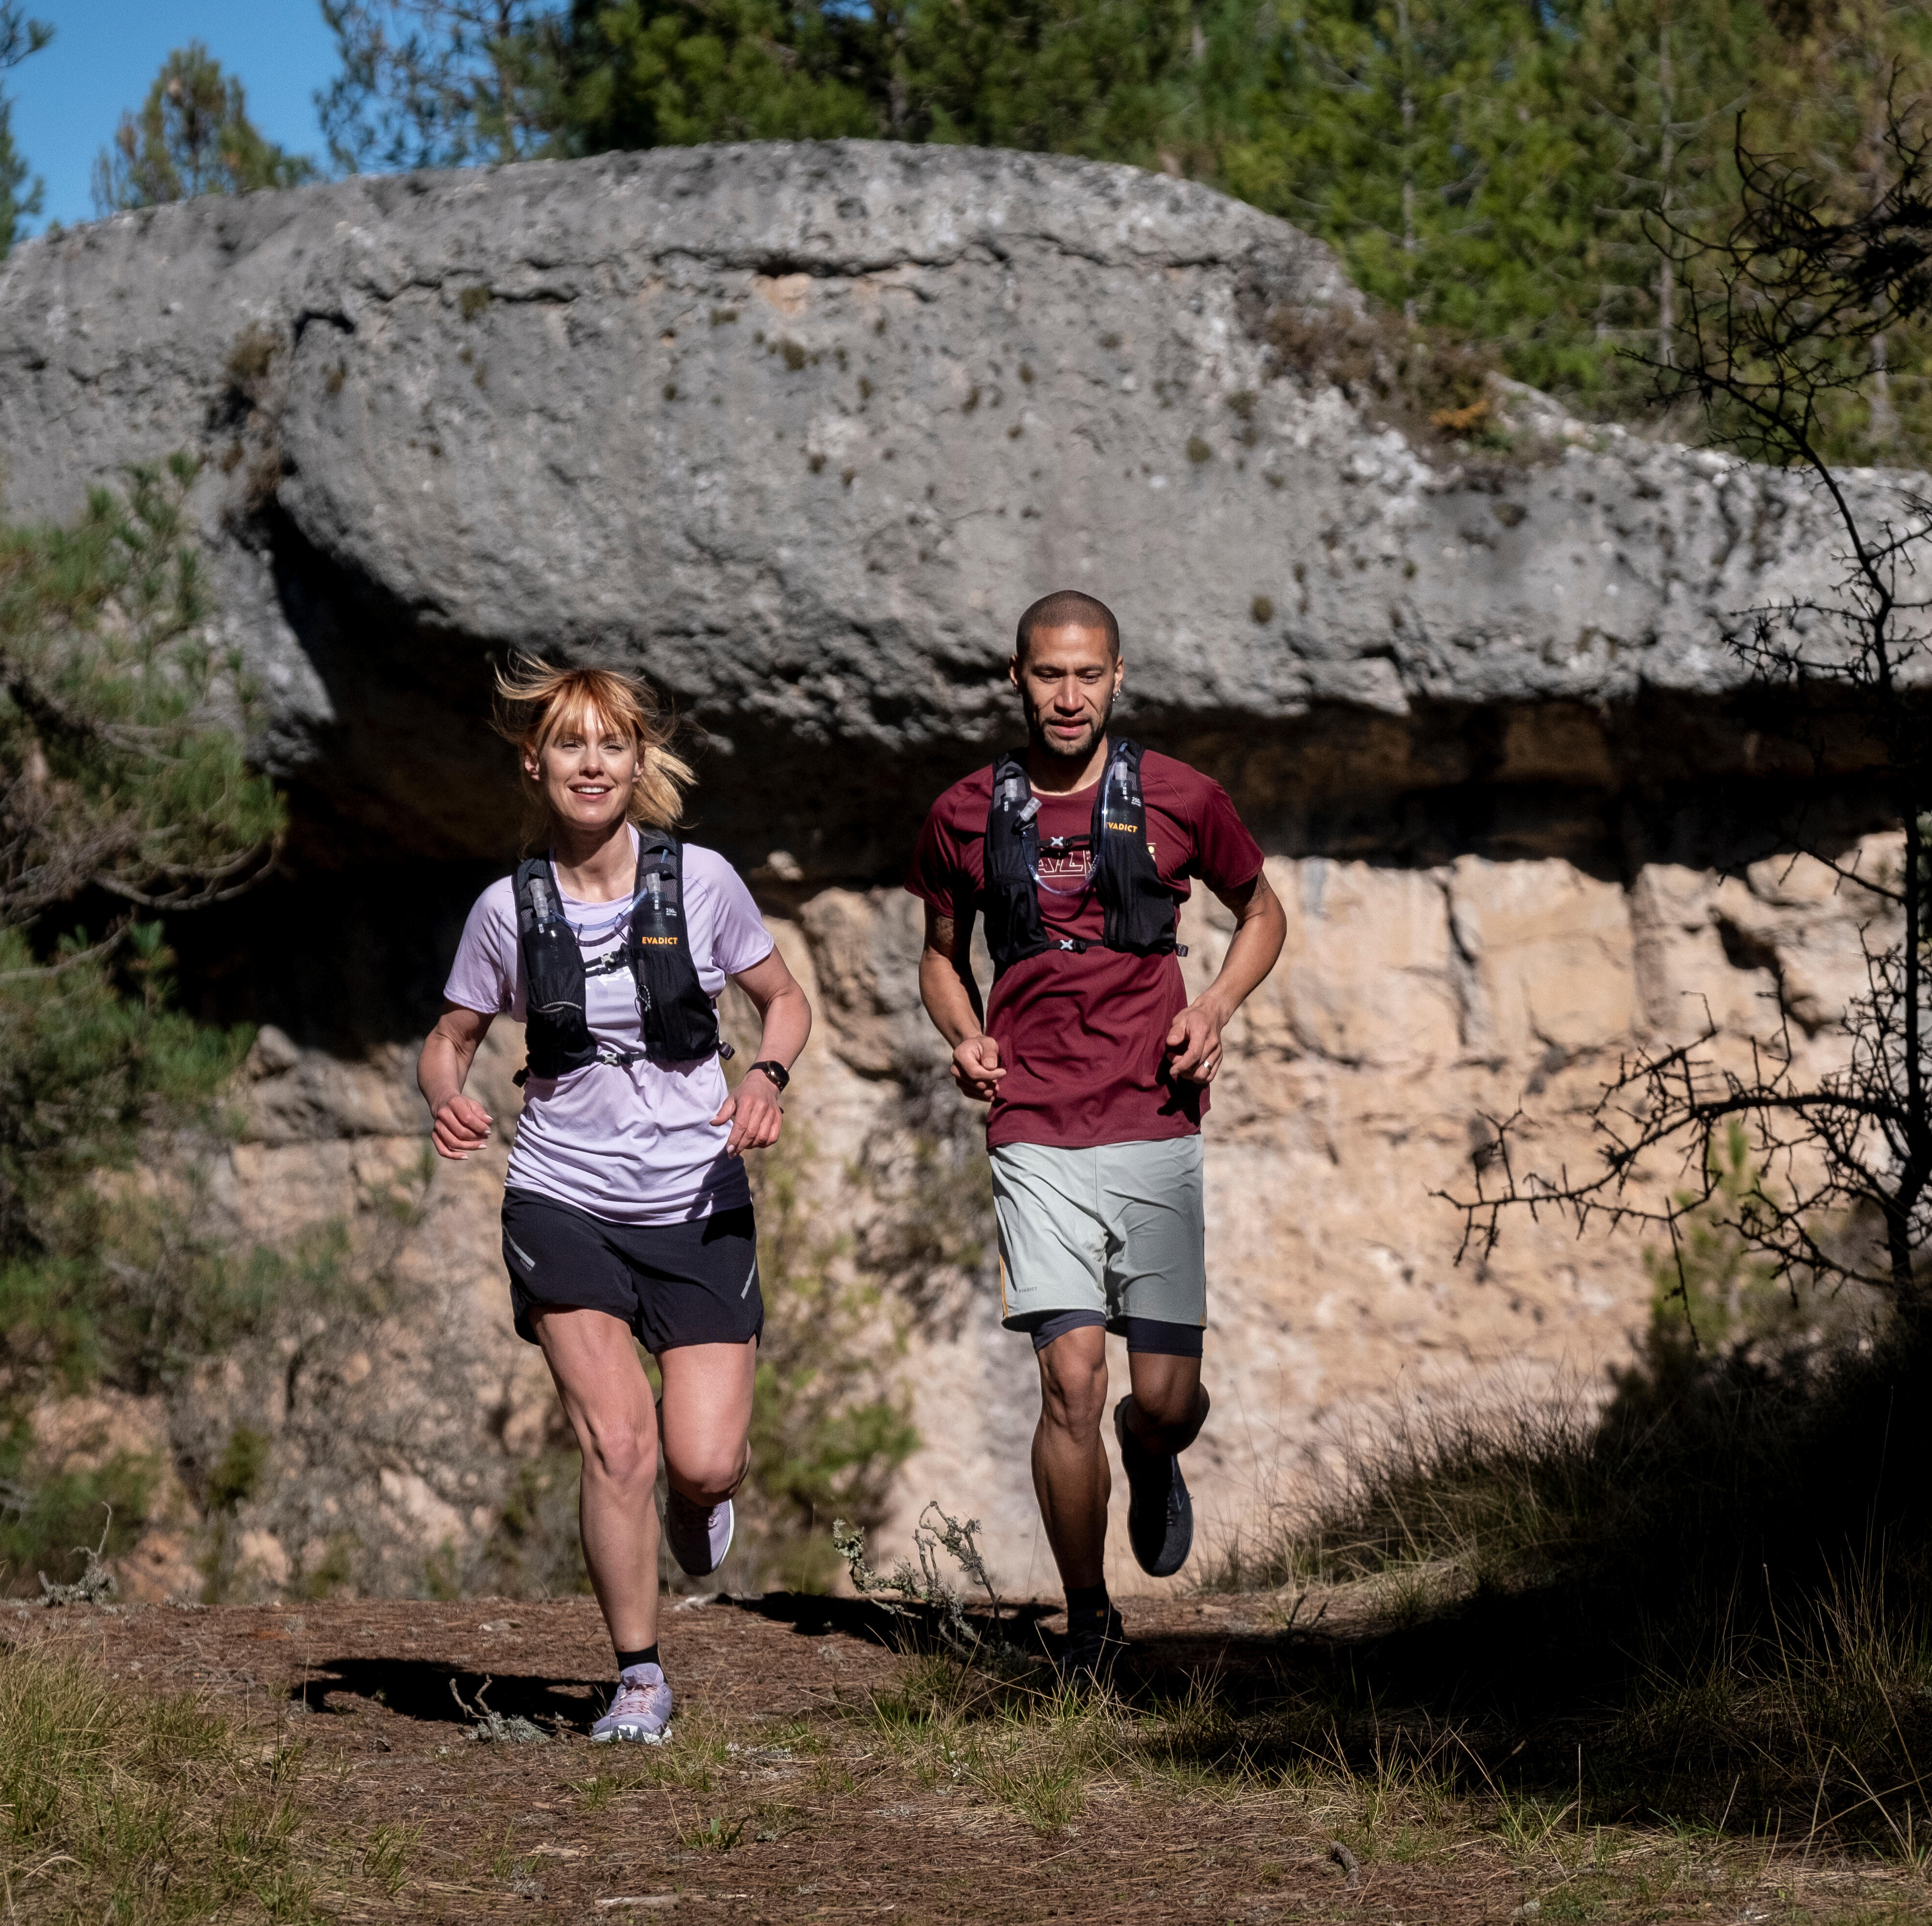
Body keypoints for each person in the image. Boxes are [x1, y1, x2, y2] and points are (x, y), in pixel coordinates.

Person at [419, 659, 812, 1745]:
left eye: (611, 744)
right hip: (562, 1198)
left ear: (639, 762)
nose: (591, 763)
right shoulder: (508, 911)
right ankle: (638, 1676)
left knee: (699, 1459)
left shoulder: (704, 884)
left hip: (694, 1195)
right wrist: (450, 1099)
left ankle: (702, 1500)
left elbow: (783, 1002)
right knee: (618, 1447)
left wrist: (765, 1078)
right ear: (535, 763)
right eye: (570, 744)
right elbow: (449, 1042)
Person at [906, 590, 1288, 1677]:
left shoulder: (1180, 795)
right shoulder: (961, 815)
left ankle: (1151, 1450)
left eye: (1087, 674)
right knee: (1068, 1377)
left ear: (1119, 675)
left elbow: (1263, 910)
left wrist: (1212, 1006)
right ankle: (1090, 1623)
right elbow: (940, 951)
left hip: (1153, 1114)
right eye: (1047, 674)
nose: (1066, 696)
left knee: (1158, 1400)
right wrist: (964, 1030)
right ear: (1014, 678)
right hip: (1033, 1124)